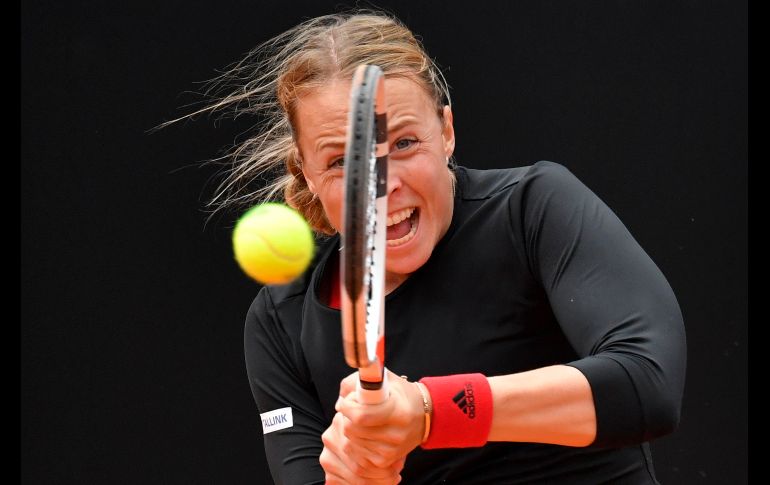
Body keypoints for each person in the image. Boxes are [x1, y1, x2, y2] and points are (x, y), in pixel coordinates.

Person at [183, 10, 686, 484]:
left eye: (403, 144)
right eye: (342, 163)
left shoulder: (533, 208)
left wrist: (430, 411)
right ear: (307, 174)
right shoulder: (279, 320)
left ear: (446, 131)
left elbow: (648, 384)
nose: (381, 186)